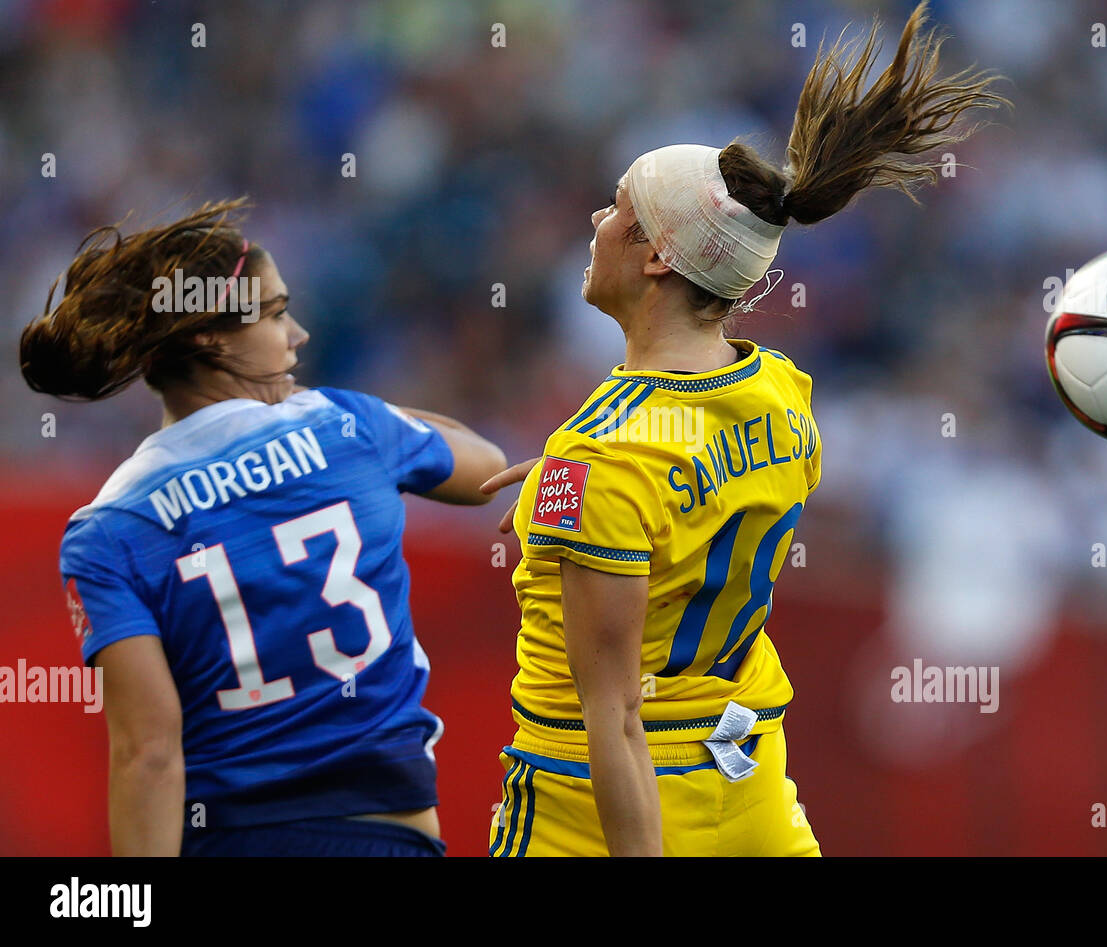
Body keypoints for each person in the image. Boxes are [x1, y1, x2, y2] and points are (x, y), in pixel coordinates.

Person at [481, 2, 1007, 856]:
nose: (595, 224)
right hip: (751, 781)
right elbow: (693, 477)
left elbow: (612, 713)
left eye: (617, 210)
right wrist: (568, 479)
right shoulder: (782, 393)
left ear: (658, 256)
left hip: (601, 802)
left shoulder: (602, 455)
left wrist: (576, 474)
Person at [19, 199, 508, 856]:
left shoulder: (107, 528)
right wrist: (346, 409)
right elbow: (486, 466)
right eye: (277, 313)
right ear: (207, 336)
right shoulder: (347, 425)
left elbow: (147, 753)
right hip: (382, 834)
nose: (298, 333)